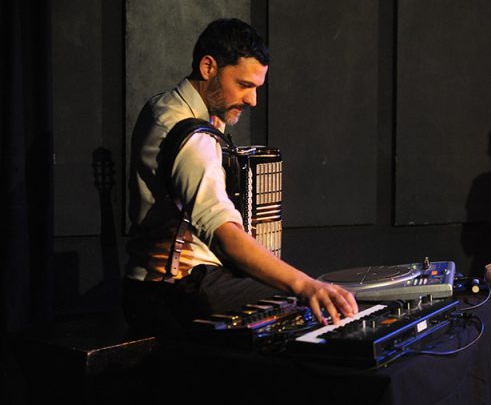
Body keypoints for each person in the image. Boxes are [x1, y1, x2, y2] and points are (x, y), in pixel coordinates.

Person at [123, 18, 357, 335]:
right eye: (244, 85)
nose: (252, 100)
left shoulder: (163, 107)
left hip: (151, 285)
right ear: (208, 67)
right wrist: (305, 285)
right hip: (174, 290)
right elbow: (223, 234)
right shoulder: (191, 137)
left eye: (256, 88)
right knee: (304, 307)